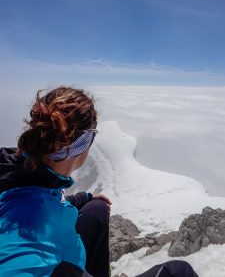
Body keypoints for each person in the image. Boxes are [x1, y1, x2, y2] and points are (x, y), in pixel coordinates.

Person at [0, 86, 199, 277]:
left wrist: (81, 198)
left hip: (63, 251)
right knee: (178, 272)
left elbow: (36, 202)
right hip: (60, 261)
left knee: (97, 207)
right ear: (83, 143)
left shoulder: (25, 172)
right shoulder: (31, 232)